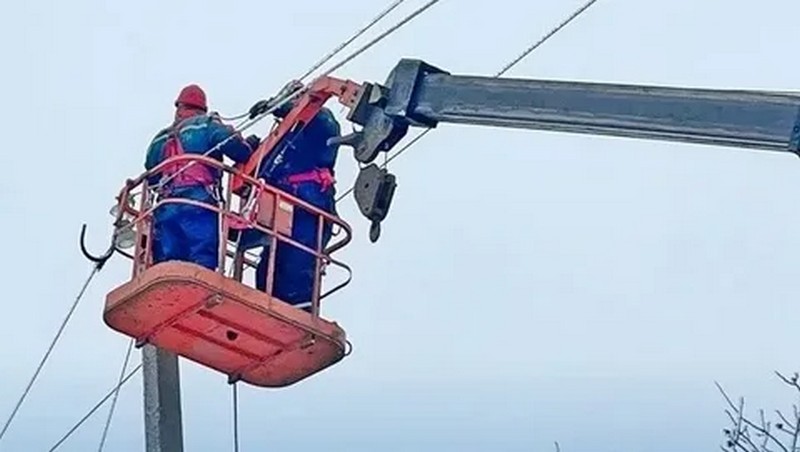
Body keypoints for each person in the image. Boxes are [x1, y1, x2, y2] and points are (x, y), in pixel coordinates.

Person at [144, 84, 257, 270]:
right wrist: (248, 145)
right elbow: (237, 149)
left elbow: (151, 176)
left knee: (168, 265)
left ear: (179, 107)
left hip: (165, 208)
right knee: (201, 261)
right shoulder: (206, 124)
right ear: (203, 107)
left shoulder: (159, 139)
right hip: (198, 203)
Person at [245, 93, 341, 310]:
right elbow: (264, 166)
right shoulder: (286, 141)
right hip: (283, 213)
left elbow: (324, 123)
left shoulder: (320, 120)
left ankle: (300, 309)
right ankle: (267, 308)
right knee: (268, 267)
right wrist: (251, 148)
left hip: (309, 209)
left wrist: (279, 106)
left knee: (298, 264)